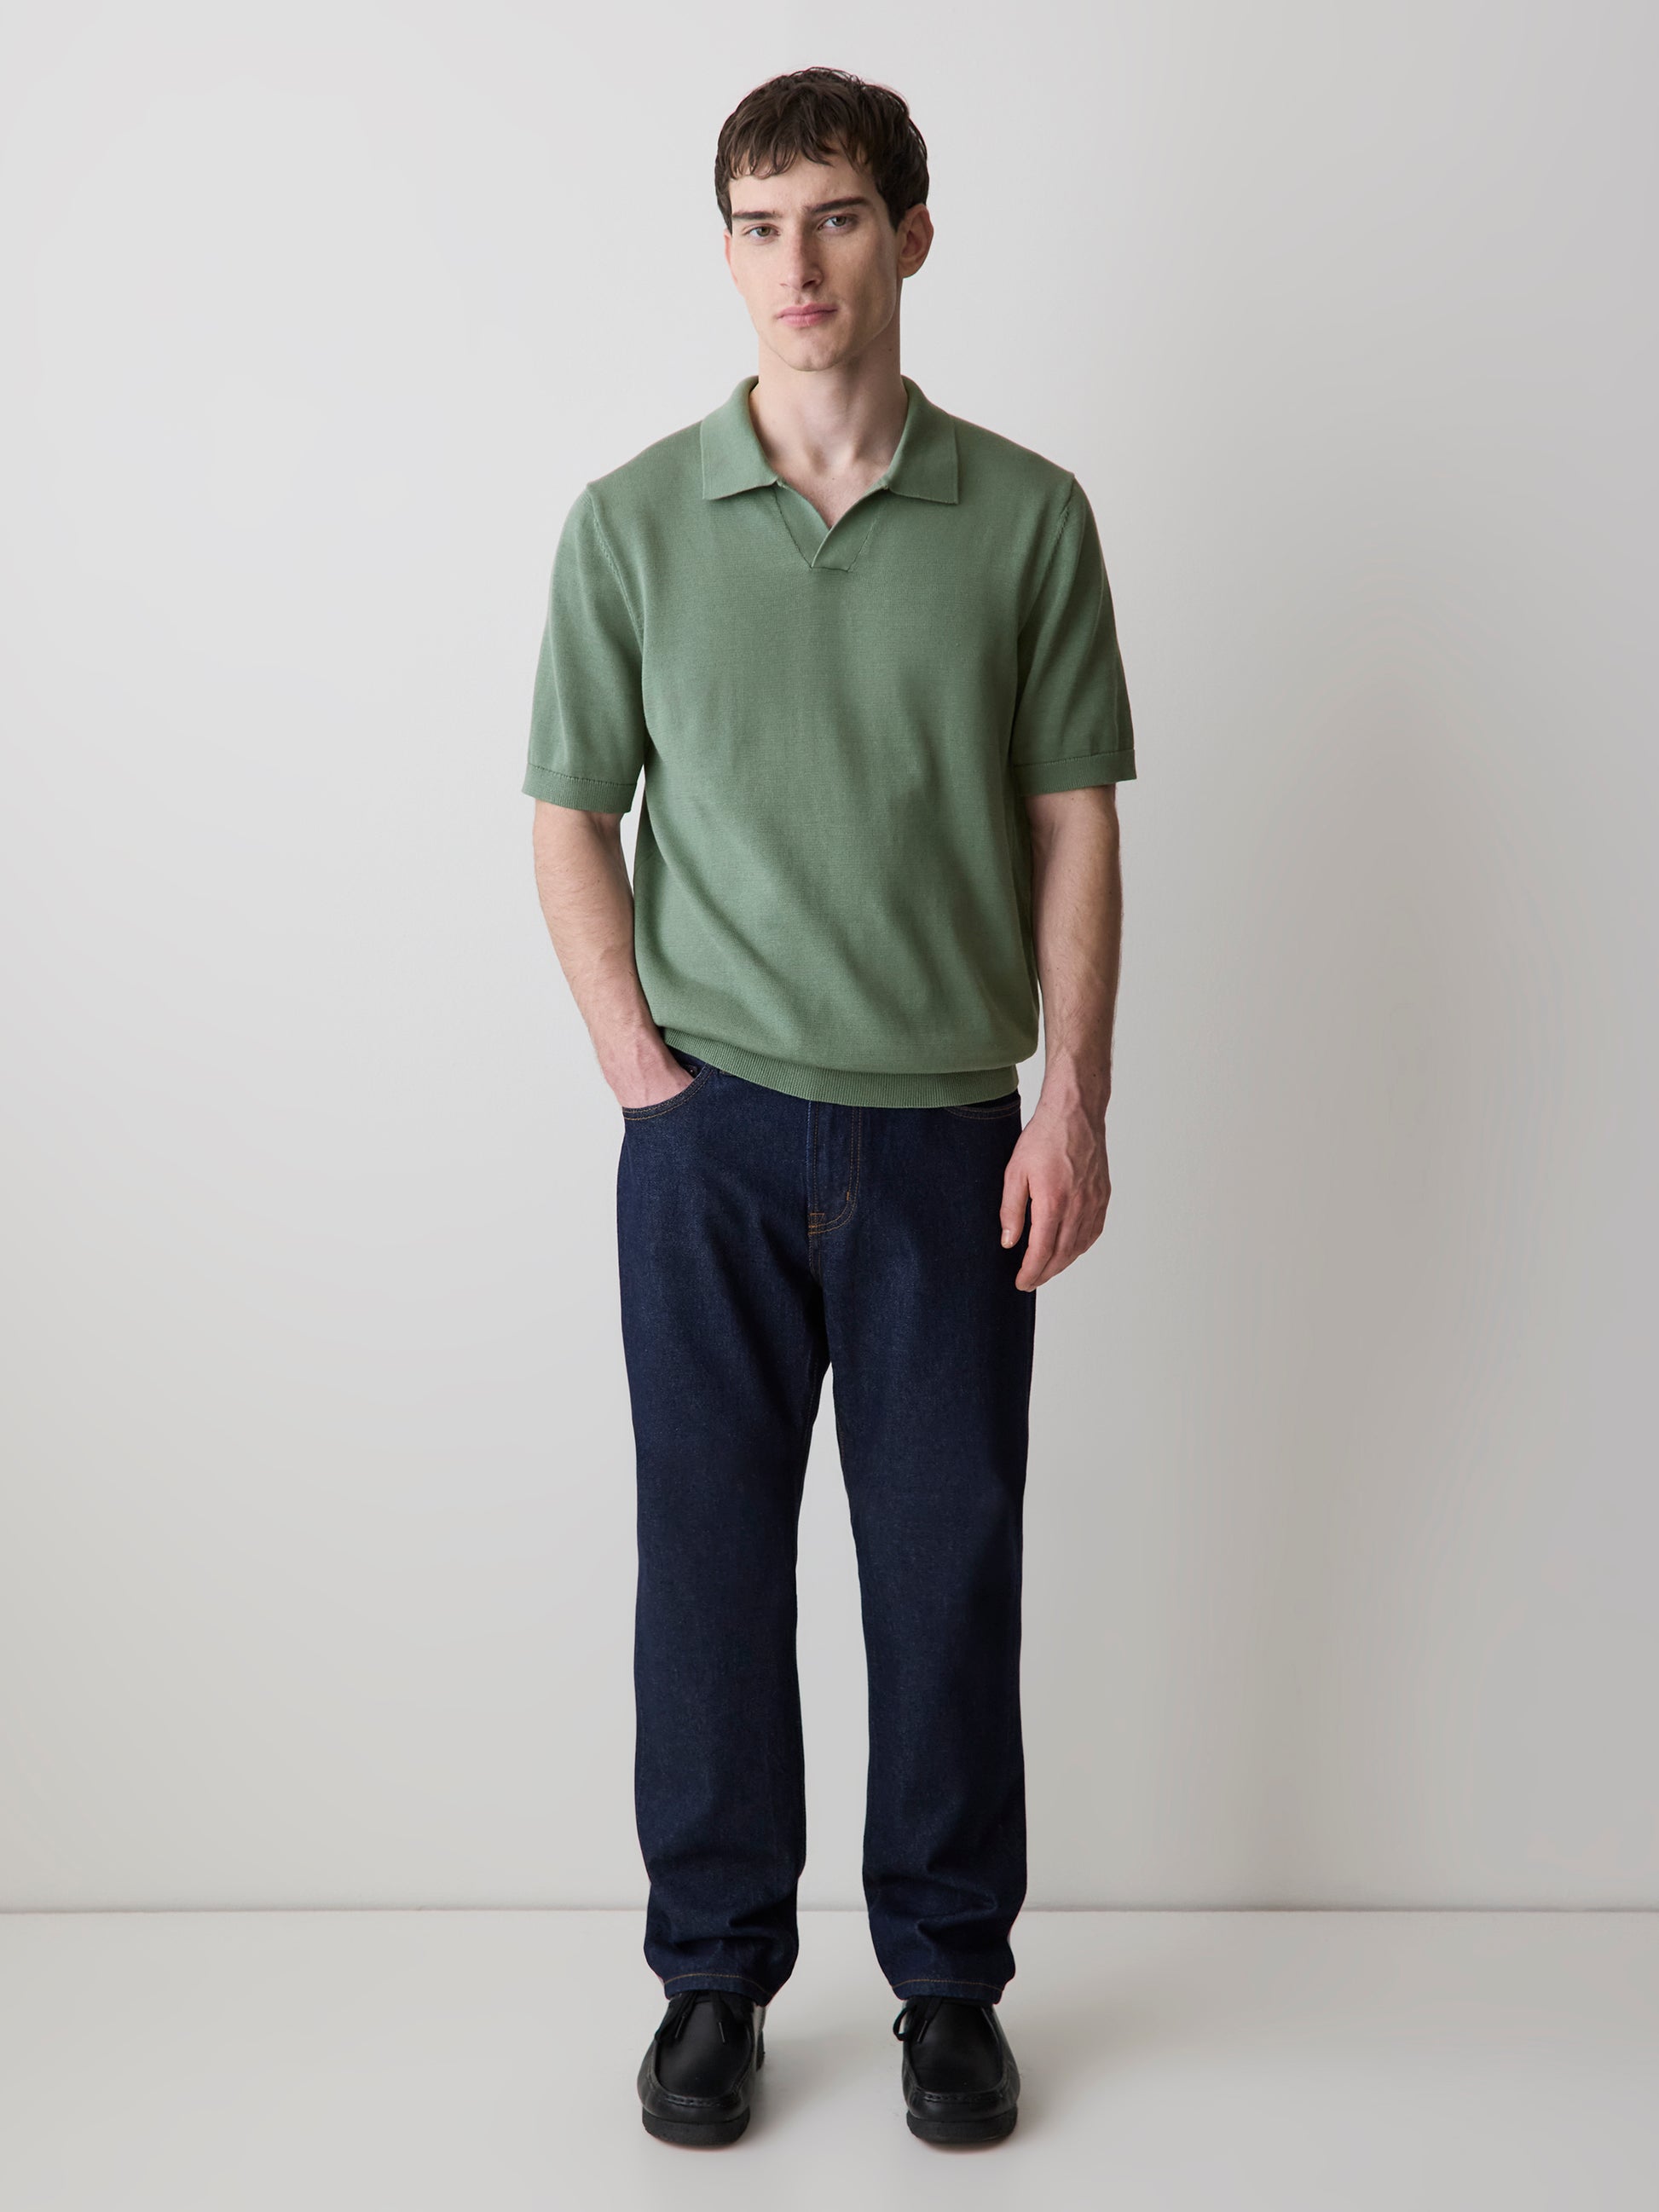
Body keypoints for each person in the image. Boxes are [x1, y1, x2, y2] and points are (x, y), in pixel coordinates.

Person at [523, 65, 1134, 2149]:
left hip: (950, 1133)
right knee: (705, 1565)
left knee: (945, 1564)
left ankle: (948, 1984)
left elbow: (1073, 821)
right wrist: (636, 1062)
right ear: (725, 252)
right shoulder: (629, 521)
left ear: (911, 237)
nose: (797, 264)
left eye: (839, 218)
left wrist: (1072, 1100)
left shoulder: (1028, 517)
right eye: (760, 225)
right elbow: (567, 809)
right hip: (706, 1138)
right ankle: (712, 1980)